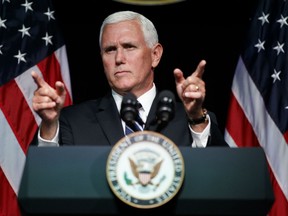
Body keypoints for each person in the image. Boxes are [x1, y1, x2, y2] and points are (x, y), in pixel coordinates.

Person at [31, 10, 228, 148]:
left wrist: (195, 118)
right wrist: (48, 125)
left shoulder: (193, 119)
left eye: (129, 47)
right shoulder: (70, 121)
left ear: (155, 55)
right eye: (110, 50)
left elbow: (220, 177)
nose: (119, 59)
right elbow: (47, 179)